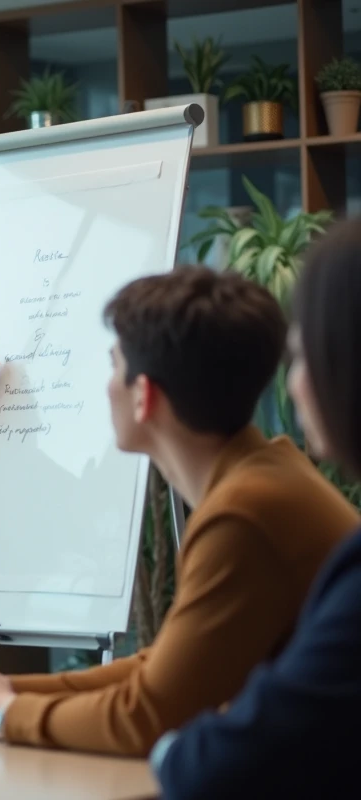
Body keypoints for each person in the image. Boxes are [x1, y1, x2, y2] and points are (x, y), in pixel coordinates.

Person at [0, 266, 360, 757]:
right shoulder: (265, 474)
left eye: (113, 366)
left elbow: (149, 715)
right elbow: (163, 669)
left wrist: (3, 714)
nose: (106, 386)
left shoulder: (245, 513)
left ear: (145, 394)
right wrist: (3, 689)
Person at [152, 219, 361, 798]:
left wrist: (1, 712)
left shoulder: (247, 509)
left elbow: (219, 757)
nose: (292, 387)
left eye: (301, 357)